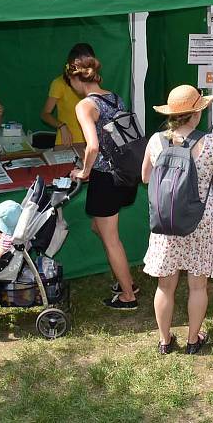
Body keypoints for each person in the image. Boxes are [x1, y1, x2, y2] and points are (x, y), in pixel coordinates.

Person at [141, 85, 213, 355]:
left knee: (165, 285)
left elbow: (145, 177)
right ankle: (193, 340)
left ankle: (164, 340)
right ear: (196, 114)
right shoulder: (210, 142)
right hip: (201, 219)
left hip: (167, 219)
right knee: (198, 285)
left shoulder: (155, 141)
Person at [66, 54, 139, 310]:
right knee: (99, 228)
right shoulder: (114, 97)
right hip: (124, 175)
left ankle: (128, 295)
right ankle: (126, 279)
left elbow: (93, 146)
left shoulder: (85, 105)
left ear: (76, 79)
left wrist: (83, 171)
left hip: (106, 178)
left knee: (111, 239)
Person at [39, 43, 90, 147]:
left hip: (90, 141)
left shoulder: (92, 82)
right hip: (67, 143)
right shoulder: (59, 83)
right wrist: (61, 126)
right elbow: (45, 114)